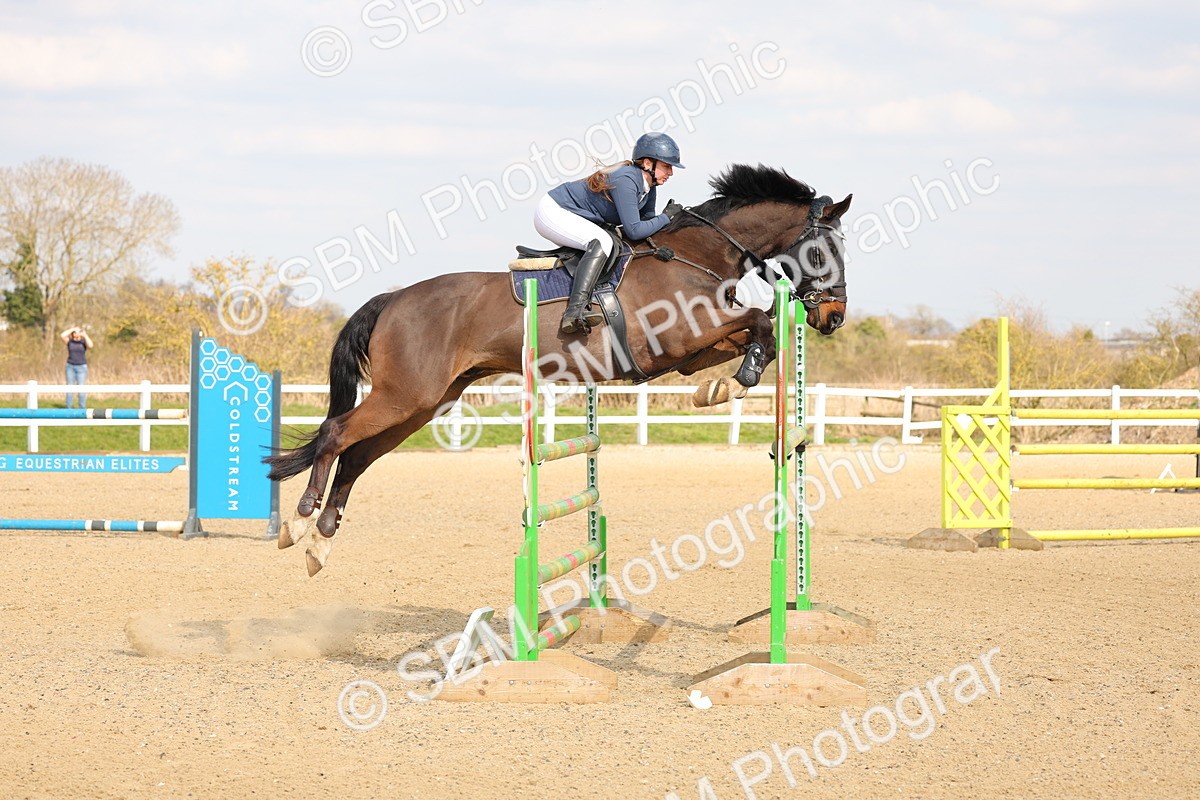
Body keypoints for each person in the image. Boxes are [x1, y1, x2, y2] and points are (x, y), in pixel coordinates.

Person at [535, 132, 687, 334]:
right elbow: (634, 230)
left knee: (609, 240)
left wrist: (662, 240)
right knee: (602, 242)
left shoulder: (649, 186)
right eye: (667, 166)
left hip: (573, 214)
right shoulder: (627, 180)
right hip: (553, 211)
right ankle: (574, 311)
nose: (671, 173)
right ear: (648, 163)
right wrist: (666, 217)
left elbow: (646, 224)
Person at [60, 325, 93, 409]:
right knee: (69, 388)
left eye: (78, 332)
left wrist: (85, 335)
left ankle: (82, 409)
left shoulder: (83, 342)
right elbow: (62, 335)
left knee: (81, 389)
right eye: (75, 332)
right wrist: (73, 329)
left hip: (81, 367)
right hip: (70, 366)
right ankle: (68, 408)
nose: (76, 333)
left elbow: (91, 345)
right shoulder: (70, 342)